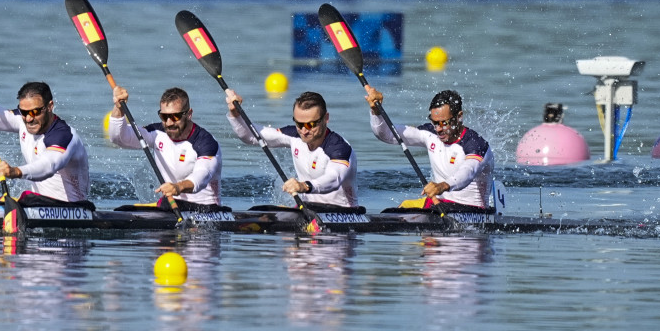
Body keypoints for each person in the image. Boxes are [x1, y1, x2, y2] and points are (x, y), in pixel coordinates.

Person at [0, 60, 90, 203]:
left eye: (35, 111)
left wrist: (15, 171)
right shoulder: (22, 119)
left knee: (27, 198)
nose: (29, 118)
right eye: (24, 112)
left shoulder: (63, 135)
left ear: (50, 106)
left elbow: (49, 166)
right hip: (37, 204)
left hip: (72, 209)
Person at [364, 86, 494, 210]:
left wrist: (442, 186)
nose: (438, 129)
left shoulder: (476, 145)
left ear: (459, 116)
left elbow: (468, 172)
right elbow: (386, 135)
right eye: (434, 122)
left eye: (444, 123)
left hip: (470, 209)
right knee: (399, 209)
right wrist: (376, 112)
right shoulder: (429, 133)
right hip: (436, 204)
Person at [224, 90, 359, 209]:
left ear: (326, 119)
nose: (304, 131)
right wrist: (235, 114)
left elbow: (333, 180)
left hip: (342, 212)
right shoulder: (294, 135)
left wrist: (303, 186)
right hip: (308, 209)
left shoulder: (339, 148)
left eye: (311, 124)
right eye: (299, 124)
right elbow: (251, 136)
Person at [109, 86, 222, 207]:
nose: (169, 123)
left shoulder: (206, 143)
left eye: (175, 117)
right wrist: (118, 109)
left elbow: (201, 178)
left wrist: (177, 187)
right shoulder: (157, 133)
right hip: (170, 205)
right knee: (124, 209)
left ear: (189, 114)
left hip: (205, 209)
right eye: (164, 117)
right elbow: (119, 138)